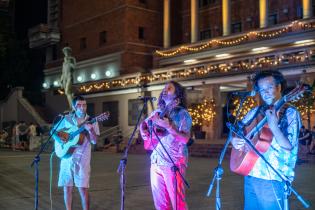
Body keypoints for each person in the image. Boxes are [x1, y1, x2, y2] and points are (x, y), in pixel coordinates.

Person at [231, 70, 301, 210]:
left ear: (279, 87)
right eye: (262, 89)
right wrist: (234, 140)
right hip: (250, 174)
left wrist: (274, 126)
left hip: (274, 179)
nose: (266, 92)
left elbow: (289, 146)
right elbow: (237, 130)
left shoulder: (290, 113)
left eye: (269, 87)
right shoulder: (255, 111)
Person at [140, 81, 192, 210]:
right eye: (164, 88)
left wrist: (169, 126)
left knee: (177, 203)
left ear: (177, 97)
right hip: (156, 162)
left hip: (173, 162)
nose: (165, 90)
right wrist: (143, 131)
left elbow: (185, 139)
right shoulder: (157, 113)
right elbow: (145, 130)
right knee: (160, 204)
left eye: (169, 88)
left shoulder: (182, 114)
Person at [52, 95, 99, 210]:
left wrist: (91, 130)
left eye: (84, 105)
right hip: (66, 158)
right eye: (79, 105)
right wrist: (60, 140)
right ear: (73, 106)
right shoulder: (66, 119)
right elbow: (53, 131)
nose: (82, 108)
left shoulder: (92, 121)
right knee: (67, 188)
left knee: (83, 189)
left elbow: (94, 141)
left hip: (82, 159)